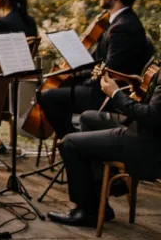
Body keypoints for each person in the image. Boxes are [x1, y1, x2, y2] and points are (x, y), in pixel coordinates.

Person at [38, 0, 154, 140]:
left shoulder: (123, 27)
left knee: (48, 97)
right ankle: (76, 141)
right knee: (55, 92)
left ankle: (72, 144)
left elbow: (110, 69)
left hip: (105, 96)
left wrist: (78, 73)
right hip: (100, 89)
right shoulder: (118, 22)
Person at [50, 68, 161, 227]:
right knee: (89, 118)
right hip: (148, 133)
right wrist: (139, 86)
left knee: (69, 143)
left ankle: (87, 211)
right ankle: (100, 198)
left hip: (149, 145)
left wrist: (115, 94)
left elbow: (150, 117)